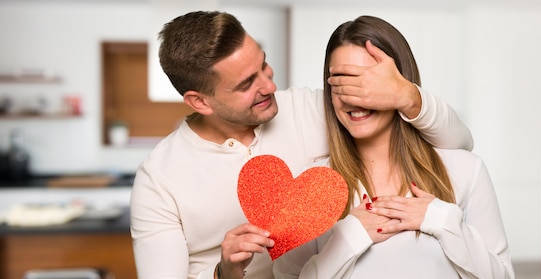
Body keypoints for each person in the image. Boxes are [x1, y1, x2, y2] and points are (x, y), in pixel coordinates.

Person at [130, 11, 474, 279]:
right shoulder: (159, 179)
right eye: (248, 83)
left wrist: (407, 96)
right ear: (200, 102)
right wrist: (224, 272)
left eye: (263, 64)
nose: (269, 84)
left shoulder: (311, 109)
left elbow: (458, 143)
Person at [273, 15, 514, 279]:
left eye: (368, 82)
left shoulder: (466, 170)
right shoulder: (310, 187)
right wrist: (349, 238)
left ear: (400, 84)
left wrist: (443, 221)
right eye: (342, 81)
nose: (356, 97)